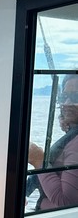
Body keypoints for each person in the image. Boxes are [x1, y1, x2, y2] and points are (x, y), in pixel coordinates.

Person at [27, 74, 78, 210]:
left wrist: (39, 160)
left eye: (75, 97)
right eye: (63, 97)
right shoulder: (73, 135)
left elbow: (66, 201)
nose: (66, 103)